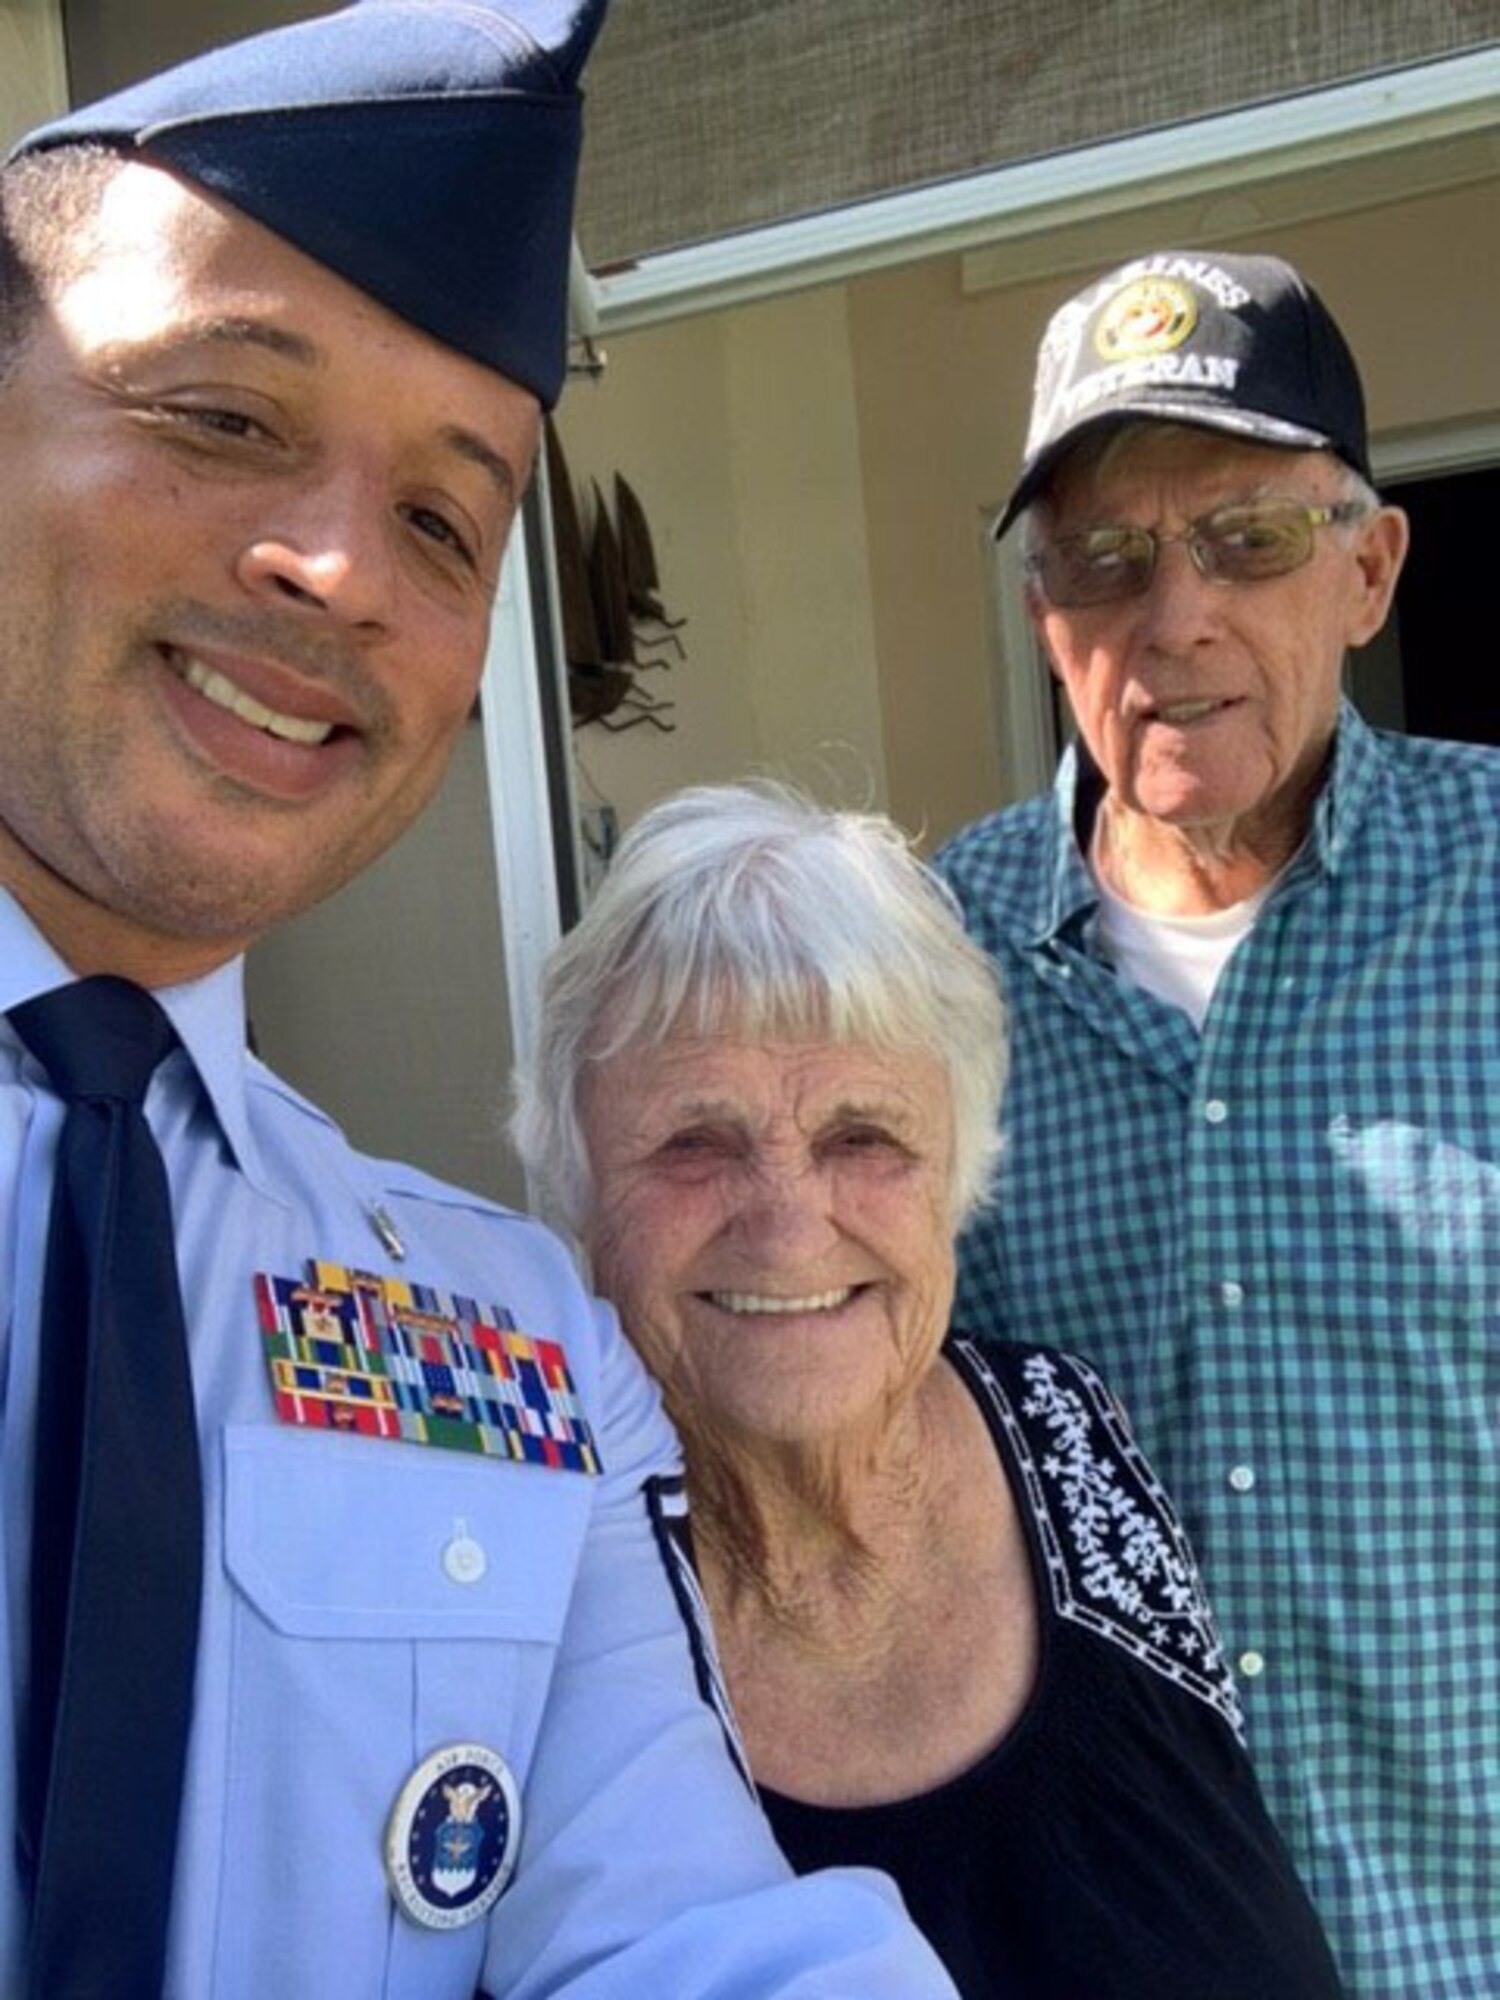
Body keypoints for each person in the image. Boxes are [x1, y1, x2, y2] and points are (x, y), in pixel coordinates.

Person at [0, 8, 963, 1996]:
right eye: (222, 412)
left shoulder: (503, 1347)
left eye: (446, 521)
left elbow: (683, 1937)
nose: (346, 568)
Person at [511, 780, 1347, 1999]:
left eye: (865, 1138)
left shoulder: (1066, 1433)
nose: (791, 1227)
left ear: (958, 1171)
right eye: (695, 1141)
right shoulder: (513, 1587)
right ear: (579, 1187)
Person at [932, 249, 1500, 1997]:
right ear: (1046, 615)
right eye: (1102, 559)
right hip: (1121, 1950)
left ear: (1369, 570)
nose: (1170, 616)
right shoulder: (925, 969)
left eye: (1246, 537)